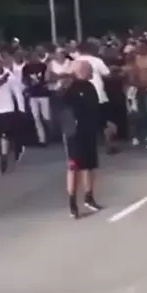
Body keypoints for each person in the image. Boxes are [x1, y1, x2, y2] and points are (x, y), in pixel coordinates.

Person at [60, 60, 104, 219]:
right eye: (89, 69)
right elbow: (62, 106)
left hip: (89, 131)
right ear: (80, 71)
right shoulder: (69, 88)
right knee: (74, 168)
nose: (91, 72)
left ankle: (89, 197)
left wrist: (101, 125)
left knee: (90, 166)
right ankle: (72, 203)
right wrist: (70, 131)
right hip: (74, 134)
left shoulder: (90, 87)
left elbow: (96, 108)